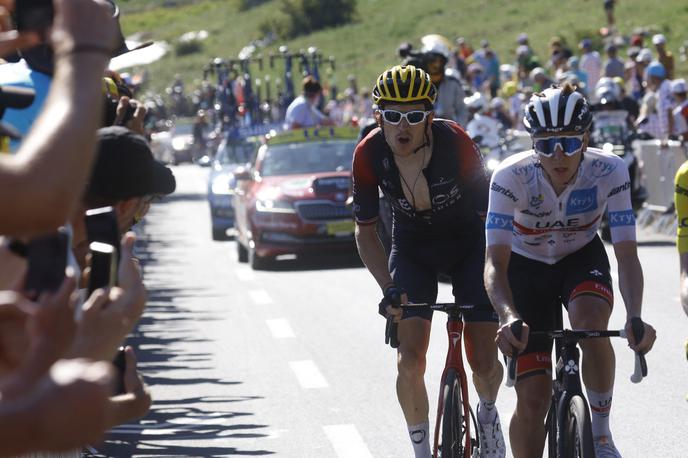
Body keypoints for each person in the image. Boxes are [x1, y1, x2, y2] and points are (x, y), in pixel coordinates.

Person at [483, 83, 656, 458]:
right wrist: (507, 315)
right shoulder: (510, 177)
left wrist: (636, 315)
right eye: (546, 145)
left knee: (590, 324)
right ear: (532, 145)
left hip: (580, 257)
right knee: (533, 399)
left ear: (586, 137)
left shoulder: (610, 170)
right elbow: (494, 263)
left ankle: (602, 434)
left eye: (569, 142)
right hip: (525, 267)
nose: (558, 155)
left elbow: (626, 254)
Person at [352, 65, 505, 458]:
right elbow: (366, 233)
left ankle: (487, 415)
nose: (404, 126)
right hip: (413, 247)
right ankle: (421, 450)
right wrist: (389, 289)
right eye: (393, 116)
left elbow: (493, 216)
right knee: (409, 359)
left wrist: (500, 275)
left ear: (430, 118)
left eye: (415, 116)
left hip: (469, 242)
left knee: (484, 361)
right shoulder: (368, 155)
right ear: (377, 117)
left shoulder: (455, 142)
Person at [420, 34, 468, 126]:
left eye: (439, 61)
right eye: (432, 60)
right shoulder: (417, 82)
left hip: (447, 132)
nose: (436, 65)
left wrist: (459, 129)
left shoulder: (453, 83)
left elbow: (462, 110)